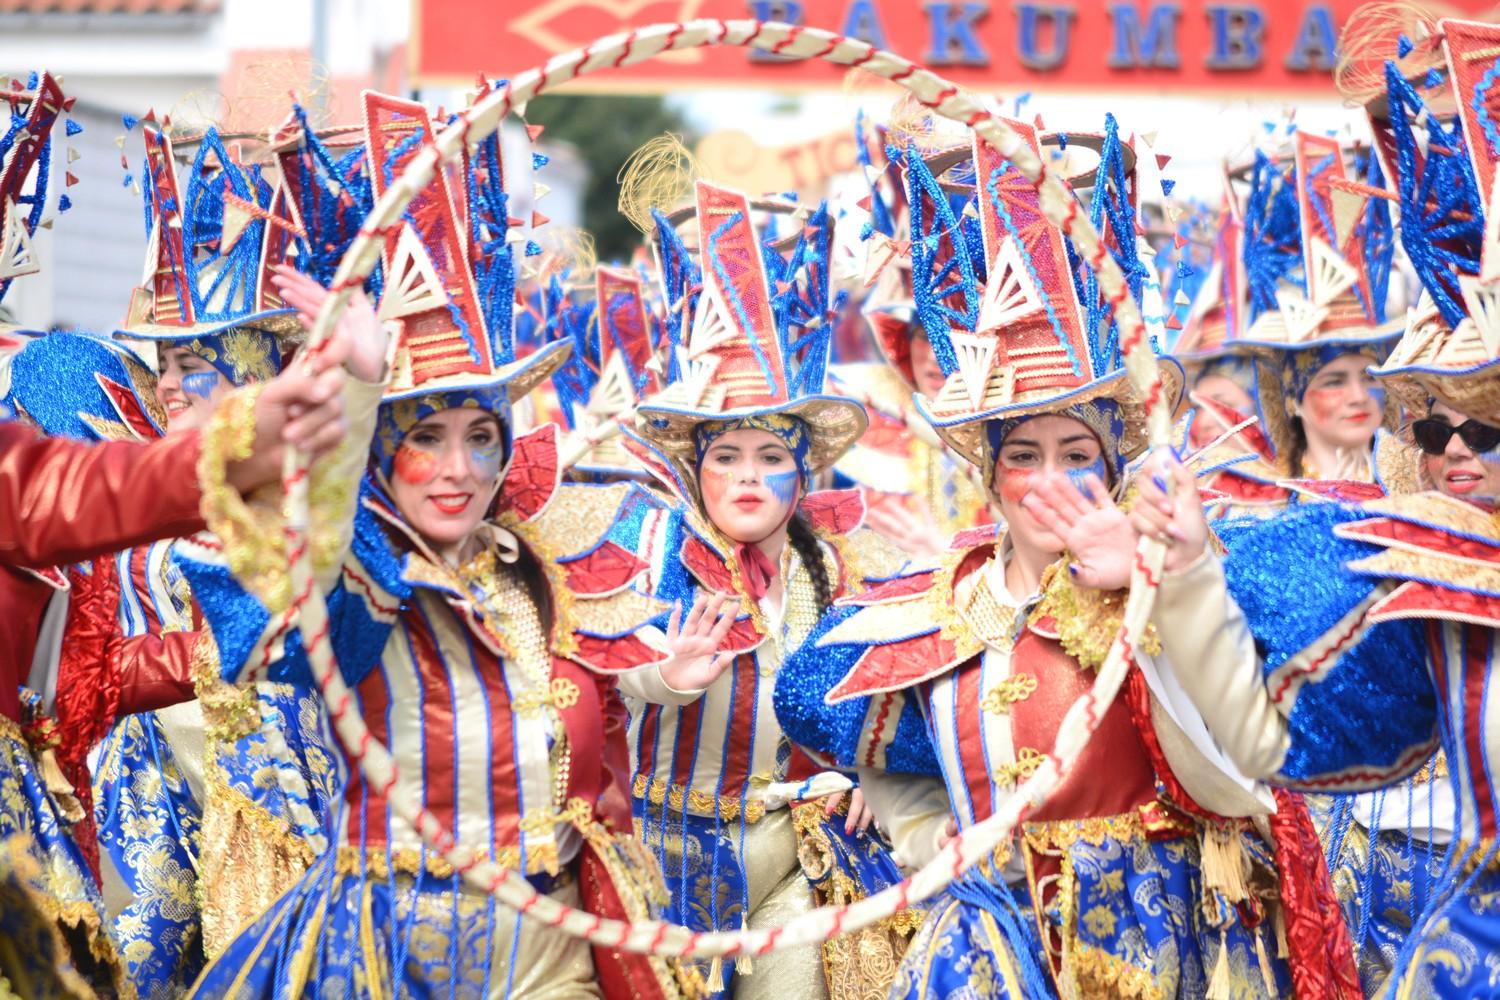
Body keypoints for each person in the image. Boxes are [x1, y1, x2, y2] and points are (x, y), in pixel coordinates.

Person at [776, 121, 1360, 1000]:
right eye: (1025, 455)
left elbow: (1238, 773)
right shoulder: (945, 602)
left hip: (1163, 955)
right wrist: (921, 821)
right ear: (991, 472)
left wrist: (1158, 586)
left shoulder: (1178, 575)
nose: (1050, 481)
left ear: (1114, 462)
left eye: (1076, 453)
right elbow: (815, 705)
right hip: (987, 958)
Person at [180, 89, 697, 999]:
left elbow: (601, 717)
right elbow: (309, 631)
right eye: (424, 435)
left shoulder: (539, 570)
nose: (458, 468)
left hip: (551, 945)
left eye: (480, 435)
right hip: (388, 947)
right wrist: (357, 396)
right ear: (381, 449)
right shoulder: (363, 576)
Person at [1047, 21, 1500, 997]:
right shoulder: (1402, 566)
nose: (1456, 450)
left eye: (1487, 428)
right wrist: (1185, 563)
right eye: (1433, 427)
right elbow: (1262, 744)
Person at [614, 179, 915, 1000]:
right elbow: (587, 673)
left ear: (803, 466)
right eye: (726, 457)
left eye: (770, 458)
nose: (748, 478)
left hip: (792, 859)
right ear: (694, 466)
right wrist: (664, 678)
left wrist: (866, 779)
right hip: (662, 865)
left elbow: (894, 705)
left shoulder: (844, 564)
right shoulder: (643, 547)